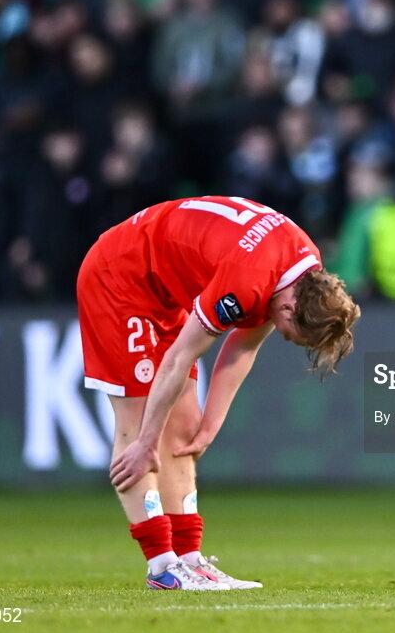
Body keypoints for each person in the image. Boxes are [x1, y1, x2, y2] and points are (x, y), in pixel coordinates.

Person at [77, 195, 360, 590]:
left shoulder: (299, 271)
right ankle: (162, 568)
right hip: (121, 276)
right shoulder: (249, 281)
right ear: (290, 309)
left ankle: (189, 561)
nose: (283, 337)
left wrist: (209, 424)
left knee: (186, 426)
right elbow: (179, 359)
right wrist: (145, 441)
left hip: (166, 288)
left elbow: (243, 345)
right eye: (291, 334)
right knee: (139, 422)